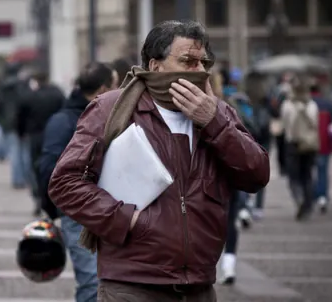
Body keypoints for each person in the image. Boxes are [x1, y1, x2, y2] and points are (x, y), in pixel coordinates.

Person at [48, 20, 270, 301]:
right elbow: (65, 183)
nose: (200, 70)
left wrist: (214, 123)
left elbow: (257, 174)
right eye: (188, 61)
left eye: (204, 62)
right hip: (132, 284)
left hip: (199, 286)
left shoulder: (219, 112)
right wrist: (128, 220)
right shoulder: (111, 108)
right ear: (155, 65)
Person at [38, 62, 116, 302]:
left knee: (111, 282)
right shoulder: (64, 121)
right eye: (115, 85)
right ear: (103, 89)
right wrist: (53, 209)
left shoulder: (112, 116)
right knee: (92, 283)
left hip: (113, 209)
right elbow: (48, 169)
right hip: (78, 213)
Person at [18, 70, 65, 216]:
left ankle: (38, 195)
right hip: (55, 135)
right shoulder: (58, 94)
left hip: (35, 136)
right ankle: (51, 196)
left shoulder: (30, 96)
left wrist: (21, 132)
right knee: (53, 166)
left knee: (34, 168)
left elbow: (21, 116)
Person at [281, 76, 319, 220]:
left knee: (293, 177)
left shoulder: (287, 105)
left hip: (293, 144)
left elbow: (284, 125)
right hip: (309, 144)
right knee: (307, 175)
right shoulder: (312, 105)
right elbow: (315, 124)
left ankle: (299, 199)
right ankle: (308, 205)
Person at [310, 83, 332, 213]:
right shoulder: (328, 104)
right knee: (323, 171)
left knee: (309, 171)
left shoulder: (307, 104)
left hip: (308, 144)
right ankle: (322, 196)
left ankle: (312, 195)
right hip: (325, 143)